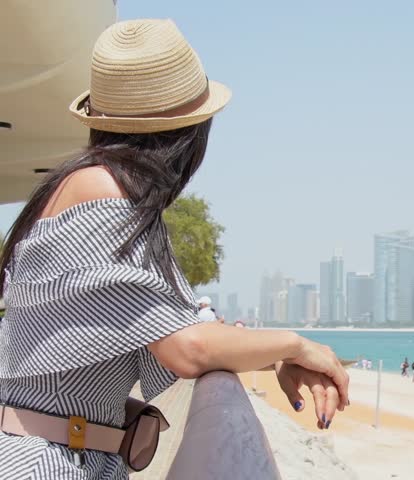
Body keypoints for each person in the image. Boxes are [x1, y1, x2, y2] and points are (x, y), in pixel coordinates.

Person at [0, 19, 349, 479]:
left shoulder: (97, 188)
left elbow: (179, 332)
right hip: (47, 460)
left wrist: (276, 358)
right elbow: (185, 350)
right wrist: (295, 344)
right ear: (190, 133)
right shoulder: (105, 192)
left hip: (67, 453)